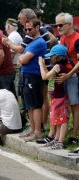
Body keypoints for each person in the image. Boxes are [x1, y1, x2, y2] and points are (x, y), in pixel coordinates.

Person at [18, 19, 47, 142]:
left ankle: (38, 132)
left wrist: (21, 58)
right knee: (29, 105)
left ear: (37, 27)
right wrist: (21, 58)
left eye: (30, 29)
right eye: (26, 29)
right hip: (27, 75)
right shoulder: (32, 42)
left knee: (35, 105)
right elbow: (22, 58)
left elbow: (23, 60)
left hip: (33, 76)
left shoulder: (39, 42)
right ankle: (33, 129)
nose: (27, 31)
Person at [55, 12, 79, 146]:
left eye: (60, 25)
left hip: (73, 76)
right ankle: (65, 132)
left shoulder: (77, 39)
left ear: (69, 24)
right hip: (63, 76)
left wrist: (68, 75)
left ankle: (74, 135)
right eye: (56, 25)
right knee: (64, 105)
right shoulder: (63, 38)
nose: (58, 27)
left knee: (75, 105)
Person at [38, 44, 68, 149]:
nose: (50, 58)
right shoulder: (58, 66)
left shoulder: (58, 66)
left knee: (62, 120)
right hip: (56, 97)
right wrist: (45, 67)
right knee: (58, 119)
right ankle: (56, 139)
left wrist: (41, 64)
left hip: (59, 97)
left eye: (52, 56)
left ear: (57, 56)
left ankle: (60, 142)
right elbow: (48, 75)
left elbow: (45, 77)